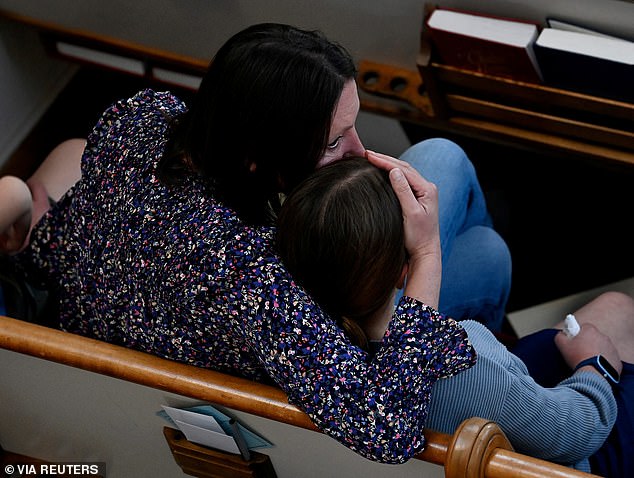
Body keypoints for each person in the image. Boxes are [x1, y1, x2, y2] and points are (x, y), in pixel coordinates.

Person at [2, 23, 509, 463]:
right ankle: (484, 380)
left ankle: (479, 360)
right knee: (480, 241)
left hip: (85, 304)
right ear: (256, 160)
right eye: (335, 142)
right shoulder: (252, 277)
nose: (361, 153)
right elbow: (388, 429)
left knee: (475, 230)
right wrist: (424, 253)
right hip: (284, 358)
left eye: (353, 128)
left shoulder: (139, 119)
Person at [276, 155, 634, 476]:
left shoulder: (298, 357)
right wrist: (595, 366)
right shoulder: (465, 360)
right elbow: (575, 432)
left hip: (488, 411)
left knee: (491, 251)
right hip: (561, 456)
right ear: (405, 272)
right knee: (616, 308)